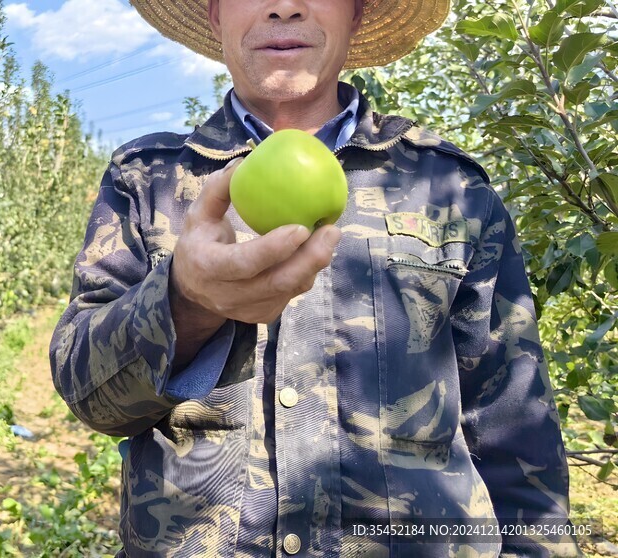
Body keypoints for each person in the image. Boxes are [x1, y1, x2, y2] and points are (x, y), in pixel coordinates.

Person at [49, 0, 577, 555]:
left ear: (357, 13)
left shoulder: (451, 190)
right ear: (213, 15)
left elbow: (516, 427)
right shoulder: (146, 180)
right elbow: (92, 399)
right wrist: (185, 299)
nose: (284, 7)